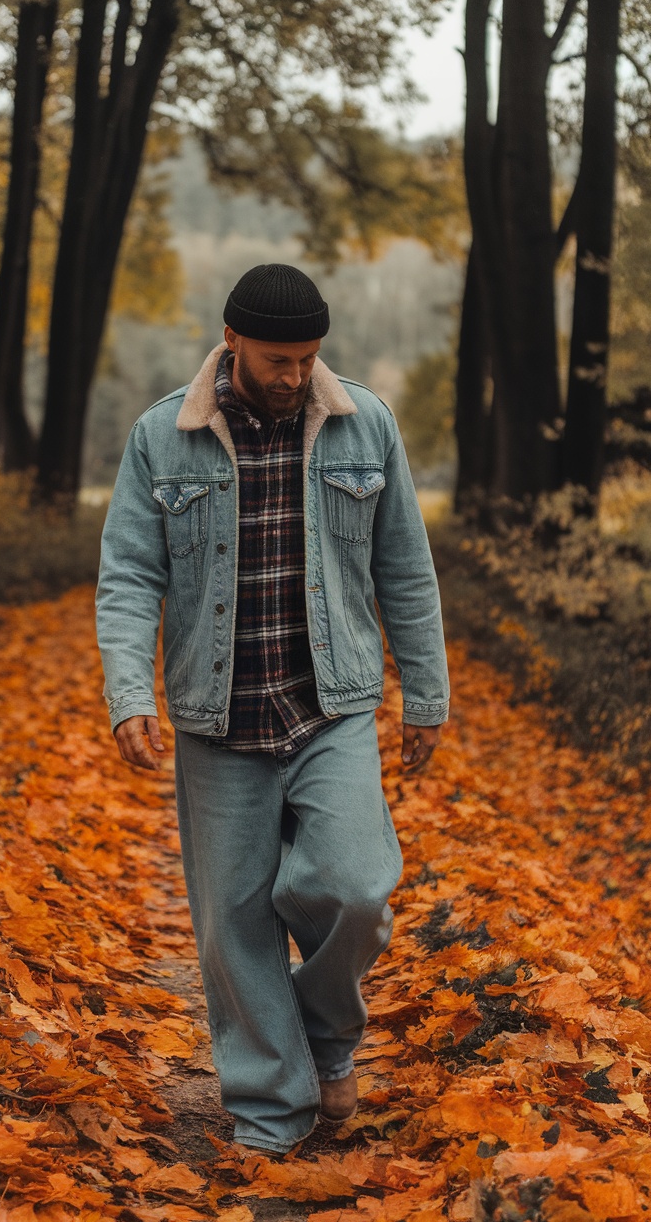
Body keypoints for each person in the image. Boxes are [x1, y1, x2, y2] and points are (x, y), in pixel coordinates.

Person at [95, 263, 449, 1156]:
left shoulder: (365, 425)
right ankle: (268, 1112)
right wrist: (129, 688)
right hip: (219, 716)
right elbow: (130, 575)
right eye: (278, 359)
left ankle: (324, 1042)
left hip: (330, 705)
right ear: (232, 340)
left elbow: (405, 568)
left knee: (356, 887)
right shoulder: (160, 437)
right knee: (234, 923)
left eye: (308, 358)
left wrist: (428, 694)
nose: (294, 376)